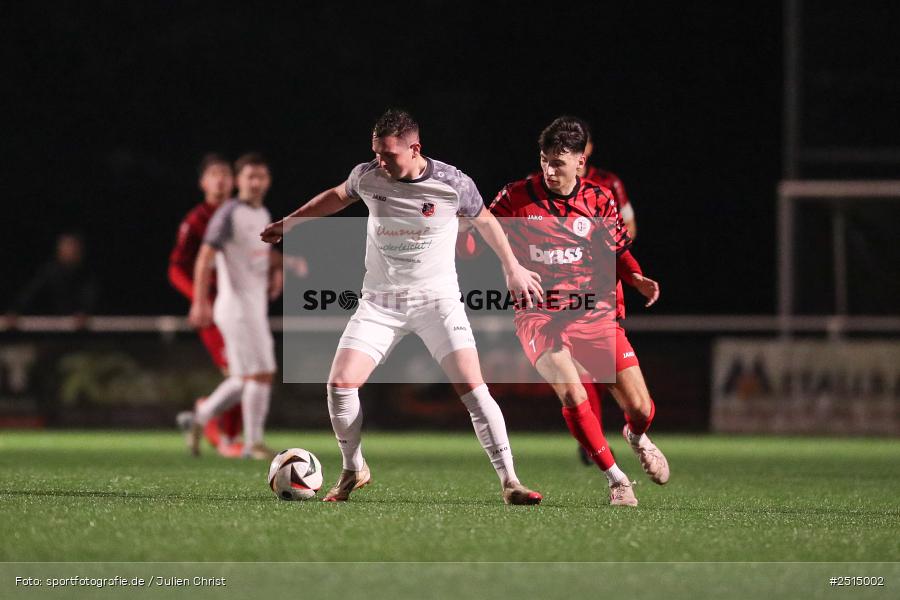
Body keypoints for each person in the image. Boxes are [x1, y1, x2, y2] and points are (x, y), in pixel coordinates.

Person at [261, 109, 543, 505]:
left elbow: (485, 221)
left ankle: (510, 481)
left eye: (389, 154)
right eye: (376, 153)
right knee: (340, 386)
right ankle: (353, 467)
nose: (381, 161)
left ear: (415, 149)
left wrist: (513, 268)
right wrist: (290, 222)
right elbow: (338, 196)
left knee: (473, 389)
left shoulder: (452, 183)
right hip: (380, 302)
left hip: (437, 302)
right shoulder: (368, 175)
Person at [488, 117, 669, 506]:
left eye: (560, 162)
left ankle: (636, 436)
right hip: (538, 314)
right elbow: (481, 229)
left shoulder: (600, 199)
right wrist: (504, 264)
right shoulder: (515, 197)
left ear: (580, 164)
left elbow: (619, 249)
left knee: (640, 407)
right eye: (546, 160)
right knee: (571, 392)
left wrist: (636, 278)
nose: (551, 170)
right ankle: (616, 479)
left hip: (592, 312)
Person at [188, 153, 282, 460]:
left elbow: (255, 254)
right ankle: (254, 443)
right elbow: (204, 258)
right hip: (236, 307)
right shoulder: (229, 212)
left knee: (244, 379)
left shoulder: (262, 212)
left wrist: (279, 268)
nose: (255, 183)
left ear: (267, 181)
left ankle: (201, 415)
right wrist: (200, 301)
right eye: (249, 177)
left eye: (261, 177)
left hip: (253, 307)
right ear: (238, 180)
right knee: (263, 373)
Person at [170, 153, 245, 457]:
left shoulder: (242, 215)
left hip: (241, 307)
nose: (221, 179)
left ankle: (208, 417)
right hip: (216, 310)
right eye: (214, 173)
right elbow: (176, 268)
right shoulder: (196, 221)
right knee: (241, 374)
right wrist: (198, 299)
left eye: (226, 173)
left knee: (249, 375)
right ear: (203, 182)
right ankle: (224, 436)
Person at [7, 233, 98, 329]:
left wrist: (84, 312)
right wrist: (15, 311)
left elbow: (90, 297)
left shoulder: (88, 274)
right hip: (49, 328)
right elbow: (30, 294)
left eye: (74, 248)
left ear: (80, 252)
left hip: (79, 331)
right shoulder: (49, 272)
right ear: (59, 251)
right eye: (66, 247)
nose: (70, 251)